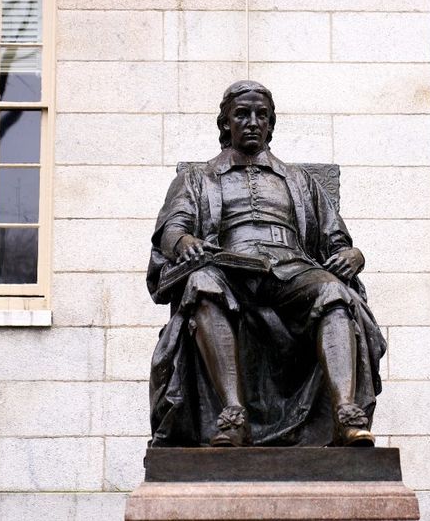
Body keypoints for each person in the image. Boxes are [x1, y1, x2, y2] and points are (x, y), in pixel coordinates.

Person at [146, 80, 386, 447]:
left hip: (291, 269)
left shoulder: (300, 181)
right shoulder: (197, 178)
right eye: (242, 114)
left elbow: (336, 240)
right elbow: (171, 228)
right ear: (226, 124)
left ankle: (346, 414)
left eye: (262, 115)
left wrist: (355, 255)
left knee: (335, 293)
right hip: (229, 269)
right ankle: (232, 415)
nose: (253, 122)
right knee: (202, 284)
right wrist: (183, 241)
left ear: (272, 124)